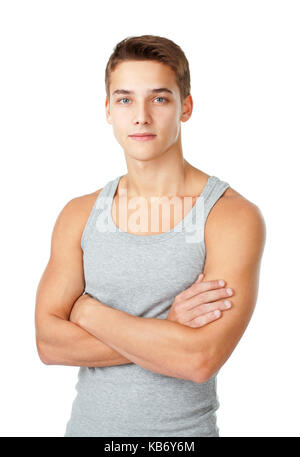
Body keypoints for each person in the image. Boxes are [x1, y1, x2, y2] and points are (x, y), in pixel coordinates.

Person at [35, 35, 266, 437]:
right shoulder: (79, 214)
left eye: (159, 99)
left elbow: (199, 358)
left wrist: (87, 312)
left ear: (185, 107)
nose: (140, 116)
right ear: (108, 110)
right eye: (125, 100)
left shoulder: (230, 216)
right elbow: (49, 345)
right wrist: (168, 328)